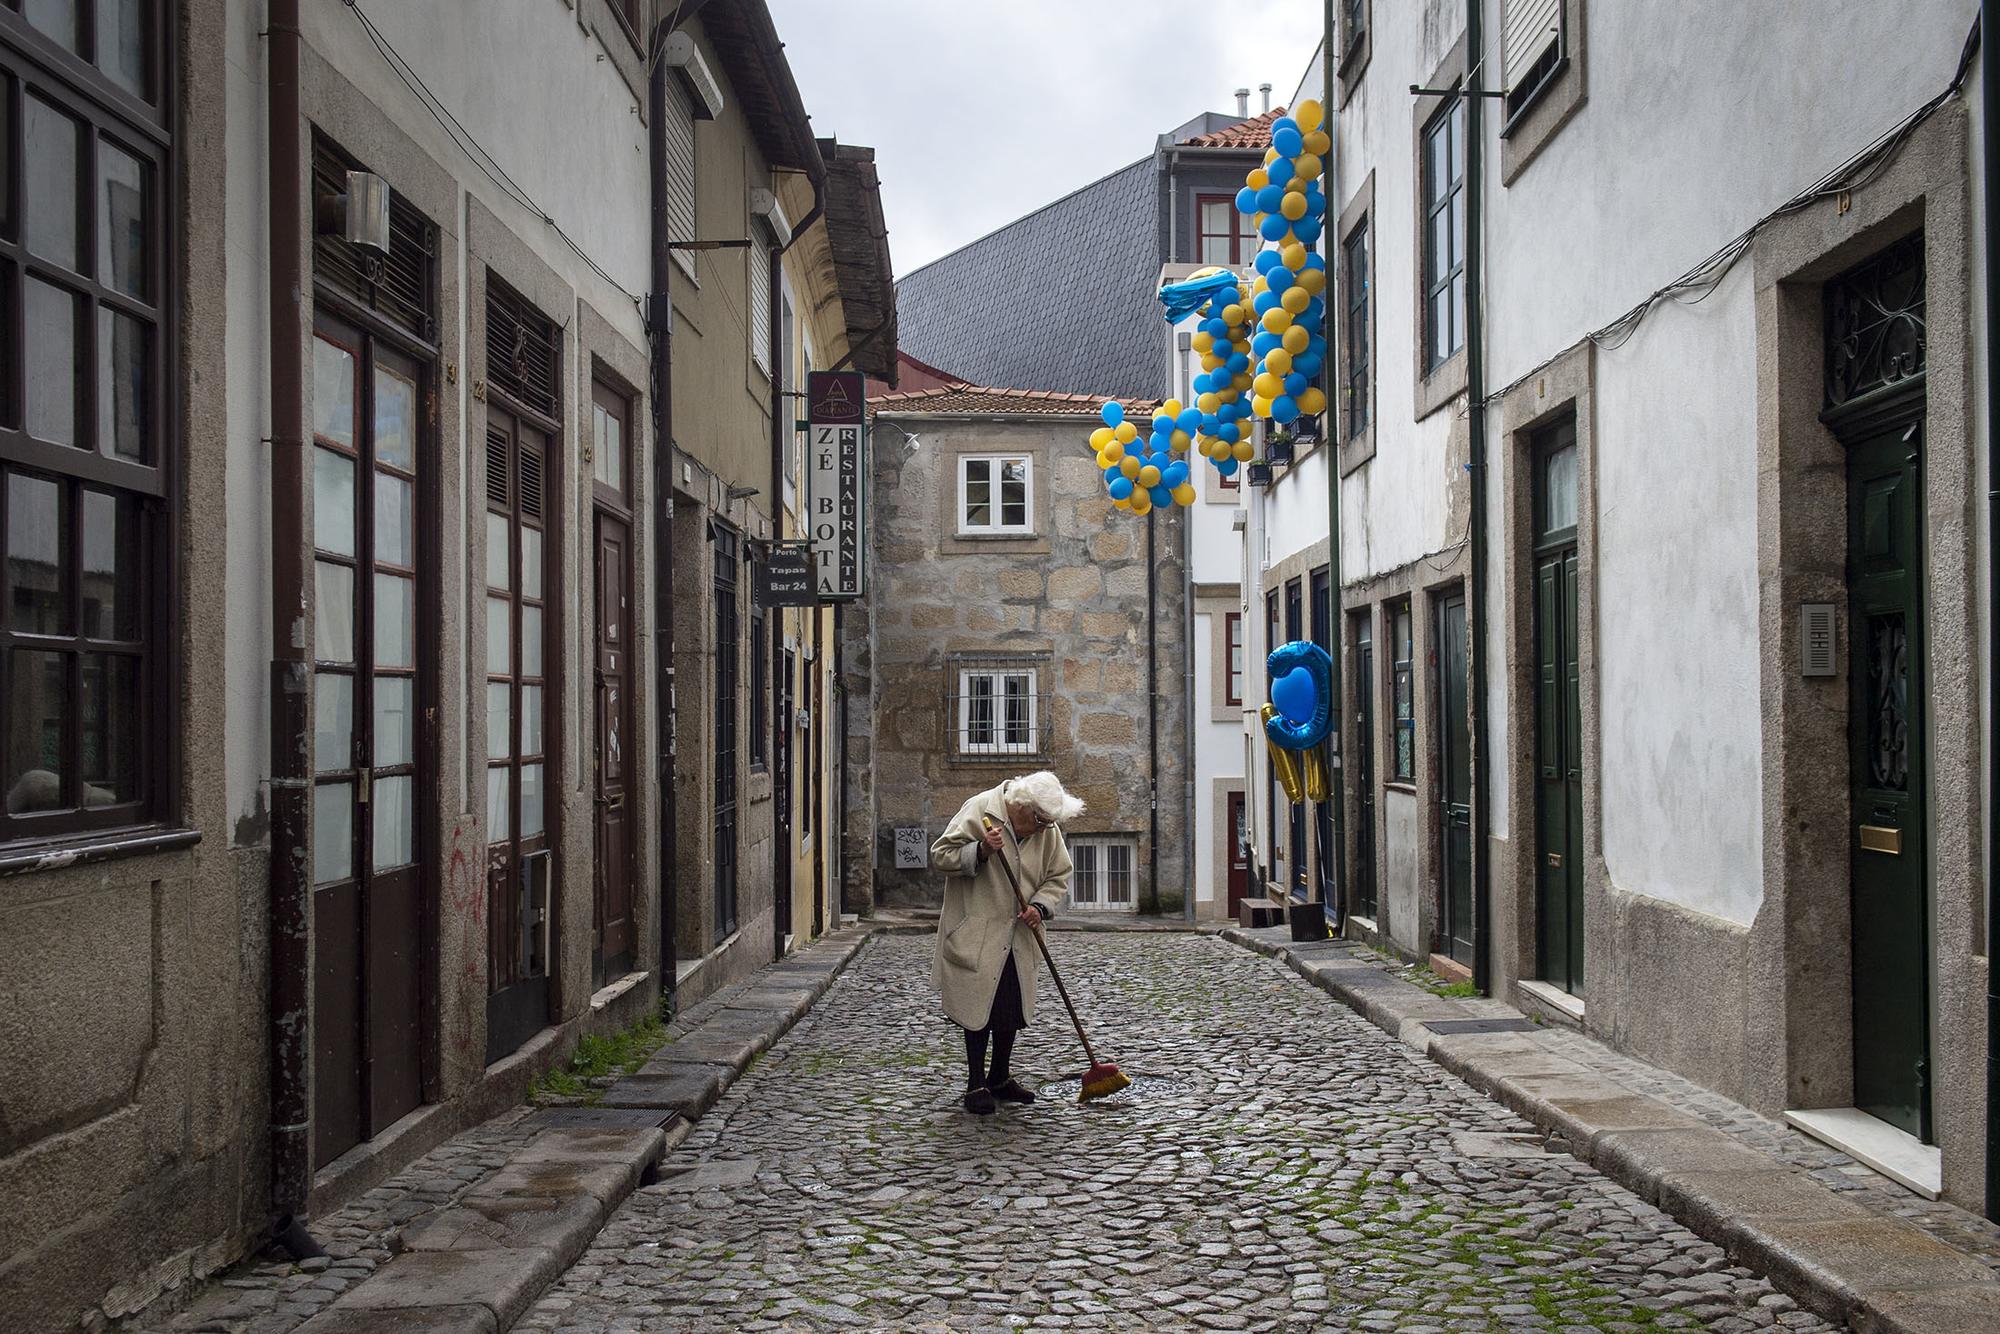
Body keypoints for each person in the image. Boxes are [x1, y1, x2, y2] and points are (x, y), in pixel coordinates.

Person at [928, 771, 1084, 1114]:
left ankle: (999, 1077)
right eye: (1039, 821)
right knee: (977, 1008)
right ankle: (975, 1083)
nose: (1043, 829)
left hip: (1019, 934)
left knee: (1009, 1009)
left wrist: (1041, 907)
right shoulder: (981, 808)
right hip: (978, 929)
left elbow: (1058, 874)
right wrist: (981, 850)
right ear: (1021, 807)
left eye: (1047, 823)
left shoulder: (1047, 829)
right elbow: (941, 856)